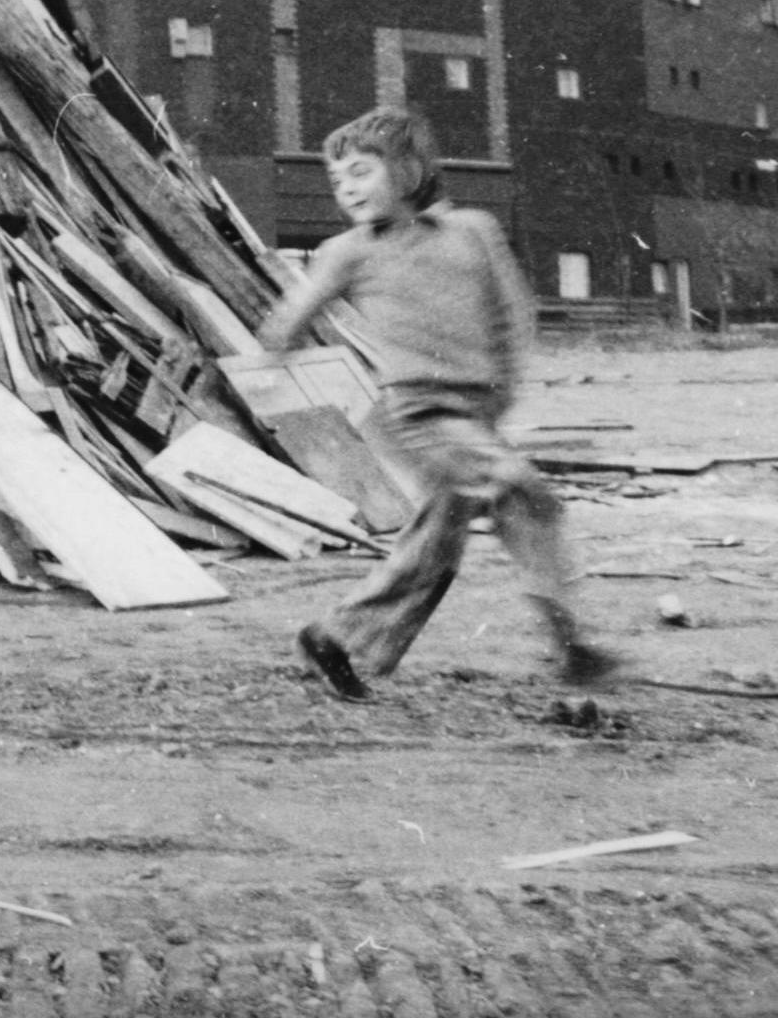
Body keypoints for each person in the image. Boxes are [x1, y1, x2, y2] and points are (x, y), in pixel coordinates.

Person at [254, 105, 618, 700]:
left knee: (436, 547)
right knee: (527, 494)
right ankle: (571, 644)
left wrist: (503, 389)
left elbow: (512, 314)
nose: (346, 188)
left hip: (475, 413)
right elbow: (296, 313)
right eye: (337, 179)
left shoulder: (474, 230)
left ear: (410, 168)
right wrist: (271, 361)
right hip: (420, 415)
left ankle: (336, 637)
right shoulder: (347, 251)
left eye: (361, 171)